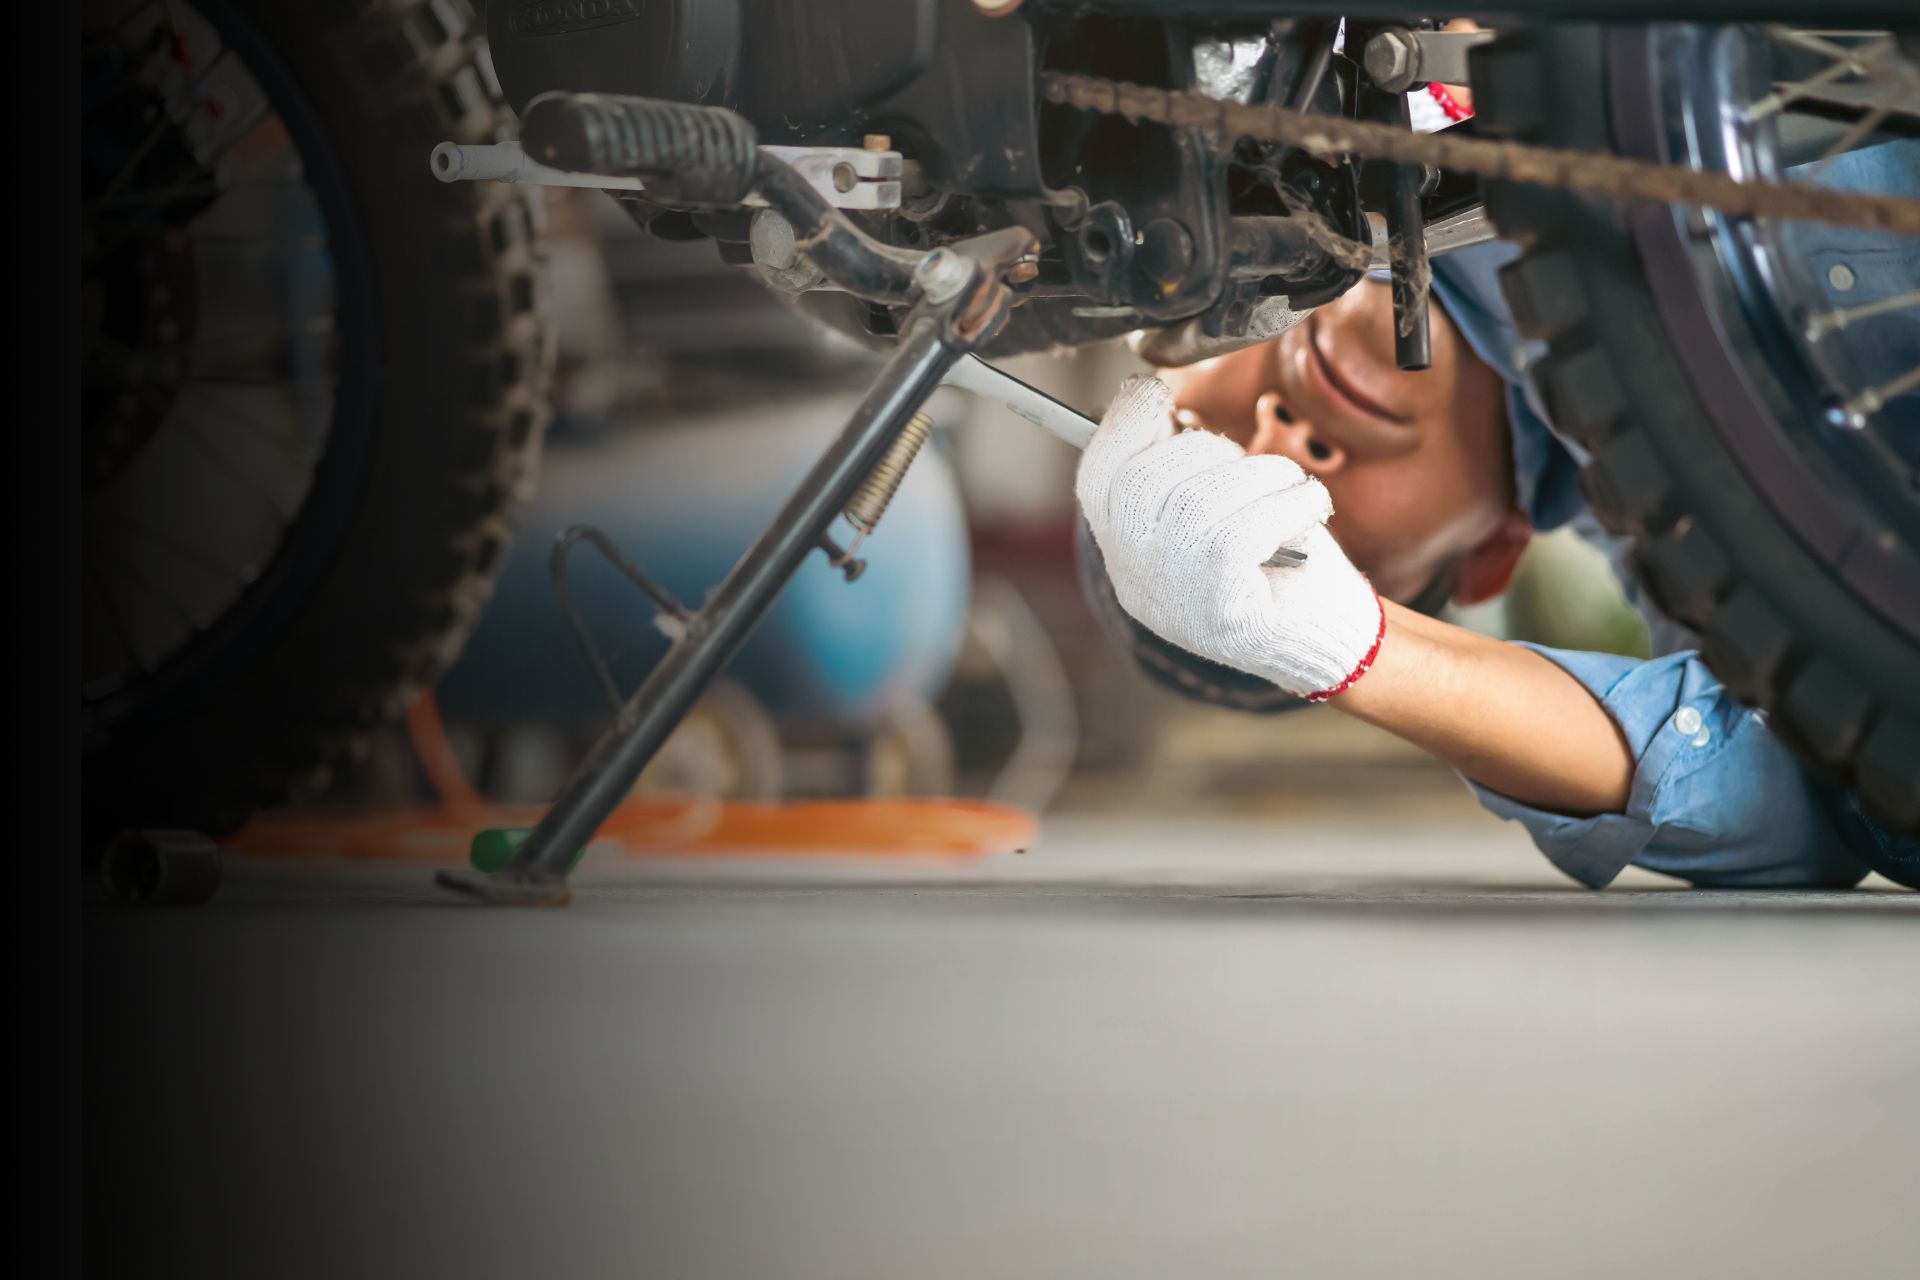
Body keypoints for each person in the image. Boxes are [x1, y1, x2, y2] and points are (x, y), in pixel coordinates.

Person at [1075, 149, 1920, 891]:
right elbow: (1847, 781)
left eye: (1200, 436)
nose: (1276, 438)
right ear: (1489, 560)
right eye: (1310, 538)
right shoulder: (1710, 534)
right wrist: (1347, 649)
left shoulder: (1302, 114)